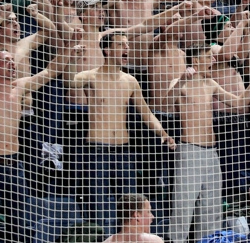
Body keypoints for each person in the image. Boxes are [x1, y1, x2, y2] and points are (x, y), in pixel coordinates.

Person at [0, 44, 75, 243]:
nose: (12, 64)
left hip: (15, 165)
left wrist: (67, 47)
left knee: (22, 224)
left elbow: (50, 71)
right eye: (6, 61)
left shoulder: (20, 88)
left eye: (12, 61)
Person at [70, 32, 176, 229]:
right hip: (97, 150)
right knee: (98, 207)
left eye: (127, 45)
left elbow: (146, 113)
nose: (126, 48)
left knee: (130, 205)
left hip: (123, 151)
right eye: (121, 45)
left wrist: (163, 133)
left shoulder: (130, 80)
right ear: (107, 50)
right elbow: (68, 82)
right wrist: (72, 59)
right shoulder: (89, 76)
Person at [166, 45, 249, 243]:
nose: (213, 61)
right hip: (190, 151)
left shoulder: (211, 83)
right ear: (195, 61)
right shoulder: (181, 83)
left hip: (212, 152)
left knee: (212, 207)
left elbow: (239, 105)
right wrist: (183, 80)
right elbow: (165, 103)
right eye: (208, 57)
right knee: (183, 206)